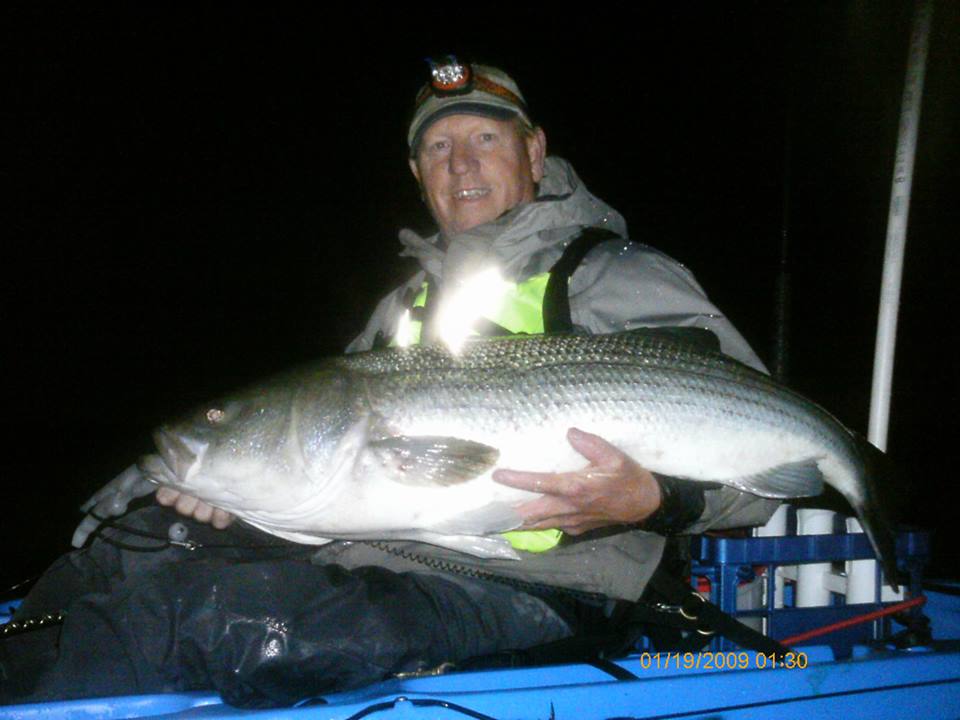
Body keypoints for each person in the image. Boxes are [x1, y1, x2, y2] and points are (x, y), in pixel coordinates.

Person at [0, 59, 777, 707]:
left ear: (535, 152)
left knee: (188, 619)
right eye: (437, 148)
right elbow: (325, 461)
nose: (461, 164)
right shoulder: (400, 307)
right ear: (417, 173)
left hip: (544, 590)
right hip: (379, 561)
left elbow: (767, 473)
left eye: (483, 138)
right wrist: (227, 486)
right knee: (125, 548)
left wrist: (657, 499)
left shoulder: (622, 278)